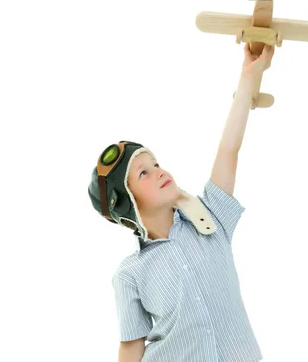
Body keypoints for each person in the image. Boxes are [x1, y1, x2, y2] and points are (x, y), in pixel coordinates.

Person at [87, 42, 275, 362]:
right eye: (144, 173)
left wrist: (248, 79)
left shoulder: (211, 220)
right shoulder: (130, 275)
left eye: (156, 164)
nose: (159, 172)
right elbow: (132, 346)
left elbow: (228, 149)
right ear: (128, 204)